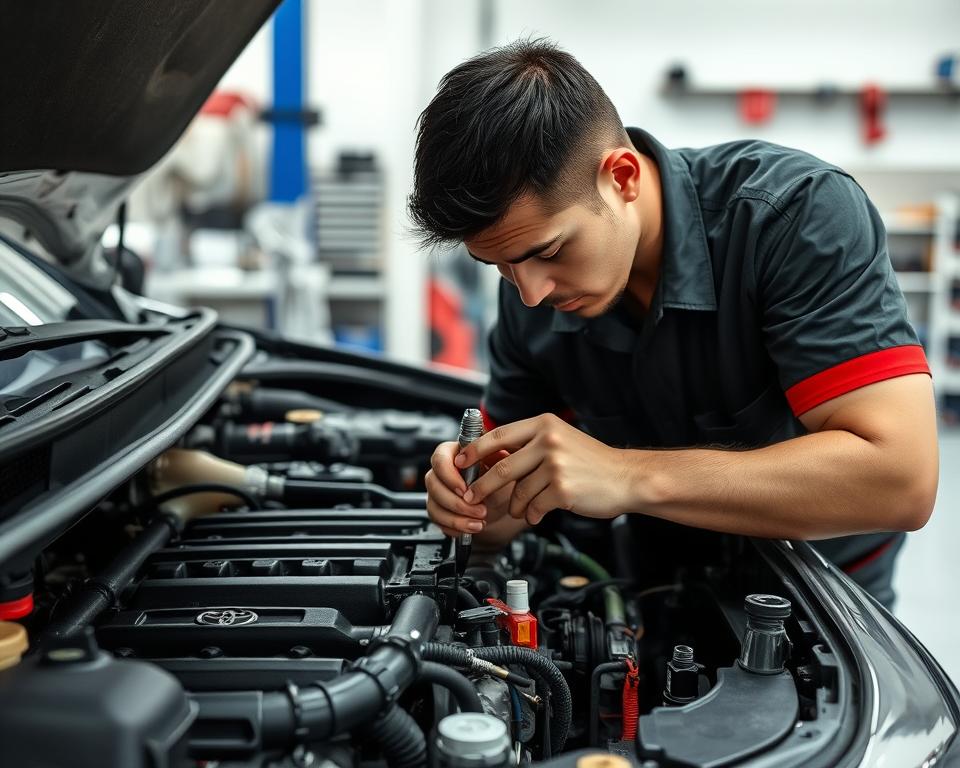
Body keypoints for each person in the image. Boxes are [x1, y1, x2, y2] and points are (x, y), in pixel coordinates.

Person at [409, 39, 938, 608]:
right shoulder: (530, 290)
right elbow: (506, 500)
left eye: (551, 250)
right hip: (656, 589)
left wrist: (627, 475)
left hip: (815, 597)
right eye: (500, 266)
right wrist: (470, 502)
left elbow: (900, 479)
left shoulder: (793, 218)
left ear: (623, 177)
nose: (530, 294)